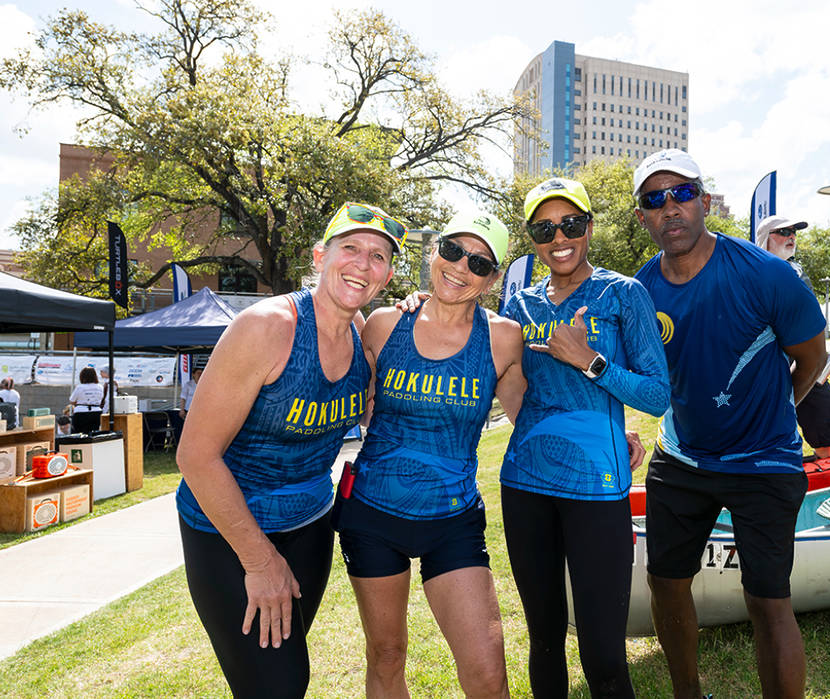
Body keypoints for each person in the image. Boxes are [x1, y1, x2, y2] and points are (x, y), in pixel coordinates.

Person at [175, 202, 404, 698]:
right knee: (278, 686)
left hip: (310, 522)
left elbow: (373, 413)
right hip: (227, 528)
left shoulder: (364, 331)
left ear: (388, 274)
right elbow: (195, 455)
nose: (363, 265)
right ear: (321, 256)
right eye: (351, 249)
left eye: (379, 256)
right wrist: (259, 562)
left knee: (280, 678)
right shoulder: (267, 327)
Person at [632, 149, 826, 699]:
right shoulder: (639, 290)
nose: (670, 208)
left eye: (682, 194)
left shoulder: (766, 274)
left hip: (765, 460)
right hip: (683, 456)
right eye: (654, 199)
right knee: (665, 584)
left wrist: (777, 411)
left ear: (705, 201)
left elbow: (812, 355)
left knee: (768, 599)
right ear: (643, 216)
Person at [338, 212, 525, 698]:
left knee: (487, 674)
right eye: (453, 249)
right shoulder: (384, 324)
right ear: (433, 251)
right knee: (386, 656)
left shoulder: (502, 338)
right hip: (374, 513)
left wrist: (612, 428)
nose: (461, 266)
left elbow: (534, 415)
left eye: (479, 262)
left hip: (453, 520)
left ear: (493, 278)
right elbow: (346, 400)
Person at [501, 178, 669, 698]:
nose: (559, 237)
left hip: (598, 491)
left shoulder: (624, 294)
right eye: (544, 228)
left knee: (602, 653)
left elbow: (659, 394)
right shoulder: (519, 306)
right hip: (525, 484)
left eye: (571, 224)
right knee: (545, 640)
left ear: (589, 227)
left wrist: (590, 362)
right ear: (533, 238)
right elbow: (506, 379)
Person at [757, 215, 830, 461]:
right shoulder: (750, 272)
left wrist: (821, 357)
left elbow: (809, 318)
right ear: (765, 238)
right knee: (769, 416)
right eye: (783, 232)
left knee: (828, 406)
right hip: (766, 362)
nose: (791, 236)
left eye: (794, 232)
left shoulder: (798, 272)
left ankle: (824, 465)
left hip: (799, 359)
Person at [69, 367, 104, 432]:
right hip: (96, 412)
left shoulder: (80, 387)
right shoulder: (100, 387)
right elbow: (101, 399)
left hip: (81, 413)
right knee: (94, 434)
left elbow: (72, 401)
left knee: (79, 434)